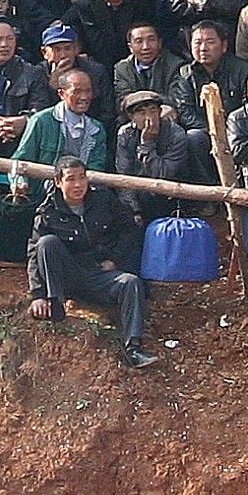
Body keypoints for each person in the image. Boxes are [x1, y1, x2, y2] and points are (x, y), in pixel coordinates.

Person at [27, 156, 157, 368]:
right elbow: (34, 253)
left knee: (131, 282)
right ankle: (56, 305)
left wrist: (114, 259)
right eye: (71, 179)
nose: (78, 185)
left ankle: (133, 349)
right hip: (67, 276)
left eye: (82, 178)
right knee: (46, 243)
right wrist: (37, 295)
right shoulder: (48, 212)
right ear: (58, 182)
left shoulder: (104, 200)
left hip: (99, 274)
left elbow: (129, 229)